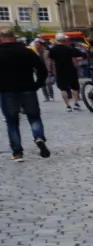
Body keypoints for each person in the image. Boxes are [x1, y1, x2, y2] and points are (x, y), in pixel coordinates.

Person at [0, 29, 50, 160]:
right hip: (28, 88)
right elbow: (42, 69)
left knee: (12, 121)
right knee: (34, 117)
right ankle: (38, 137)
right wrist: (37, 84)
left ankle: (17, 153)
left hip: (7, 90)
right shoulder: (27, 52)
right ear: (14, 38)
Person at [48, 38, 81, 111]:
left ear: (57, 41)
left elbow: (51, 61)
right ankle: (76, 104)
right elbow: (73, 60)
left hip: (59, 71)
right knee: (75, 88)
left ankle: (68, 106)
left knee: (63, 89)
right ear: (64, 41)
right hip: (71, 70)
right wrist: (77, 69)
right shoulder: (69, 49)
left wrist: (50, 71)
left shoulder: (53, 50)